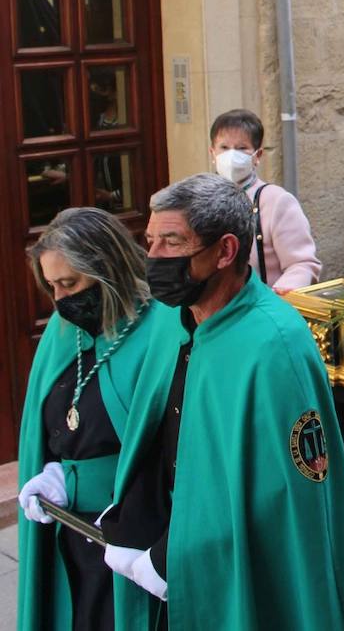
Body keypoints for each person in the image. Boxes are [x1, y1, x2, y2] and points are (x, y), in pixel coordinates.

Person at [98, 175, 344, 627]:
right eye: (149, 241)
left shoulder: (275, 343)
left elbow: (285, 496)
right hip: (166, 538)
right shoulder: (173, 320)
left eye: (172, 242)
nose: (154, 258)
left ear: (226, 251)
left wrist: (177, 554)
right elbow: (156, 431)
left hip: (233, 563)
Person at [17, 209, 161, 631]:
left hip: (131, 537)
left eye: (71, 283)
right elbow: (50, 427)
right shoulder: (64, 331)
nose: (61, 299)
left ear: (108, 268)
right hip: (70, 532)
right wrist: (55, 472)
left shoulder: (159, 329)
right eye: (52, 286)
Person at [208, 109, 321, 293]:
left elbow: (302, 264)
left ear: (257, 156)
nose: (232, 155)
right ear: (212, 153)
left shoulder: (276, 201)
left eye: (242, 148)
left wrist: (276, 299)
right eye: (224, 148)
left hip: (262, 310)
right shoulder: (197, 201)